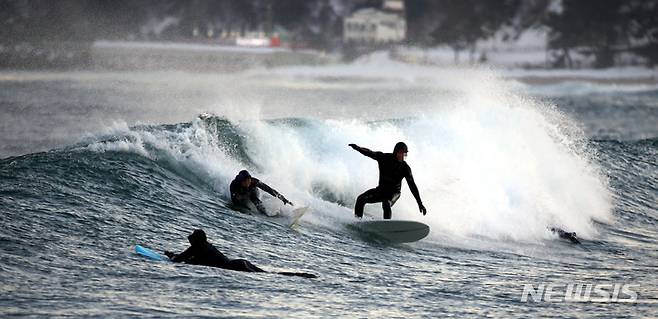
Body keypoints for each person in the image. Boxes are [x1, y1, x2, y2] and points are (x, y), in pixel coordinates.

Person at [165, 229, 316, 278]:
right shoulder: (207, 246)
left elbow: (178, 259)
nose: (190, 241)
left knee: (271, 275)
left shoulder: (197, 248)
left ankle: (301, 276)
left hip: (236, 267)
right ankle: (301, 275)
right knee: (271, 273)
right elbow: (194, 260)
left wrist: (170, 255)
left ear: (196, 240)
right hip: (238, 262)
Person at [349, 142, 427, 219]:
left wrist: (420, 203)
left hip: (394, 193)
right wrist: (358, 148)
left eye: (405, 154)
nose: (403, 157)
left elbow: (412, 186)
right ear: (396, 152)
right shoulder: (384, 158)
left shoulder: (405, 168)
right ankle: (357, 222)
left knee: (386, 203)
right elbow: (370, 153)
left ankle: (387, 225)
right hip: (381, 190)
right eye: (401, 153)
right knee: (360, 199)